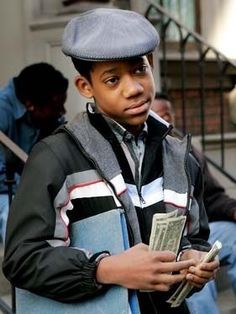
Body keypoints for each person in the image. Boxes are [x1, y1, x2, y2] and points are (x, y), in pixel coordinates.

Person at [3, 9, 219, 314]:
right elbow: (22, 259)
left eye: (140, 69)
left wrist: (195, 260)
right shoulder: (55, 157)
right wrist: (106, 269)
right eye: (113, 79)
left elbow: (195, 236)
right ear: (85, 87)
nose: (134, 88)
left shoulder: (179, 156)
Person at [152, 92, 236, 314]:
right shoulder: (139, 154)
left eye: (168, 114)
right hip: (160, 244)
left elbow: (213, 197)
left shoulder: (186, 151)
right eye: (158, 115)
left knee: (231, 235)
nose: (165, 120)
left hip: (196, 233)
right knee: (195, 267)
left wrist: (233, 210)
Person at [0, 62, 68, 242]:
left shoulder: (47, 112)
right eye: (55, 107)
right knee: (17, 218)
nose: (62, 111)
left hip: (29, 187)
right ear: (30, 105)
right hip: (7, 191)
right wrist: (29, 189)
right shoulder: (2, 111)